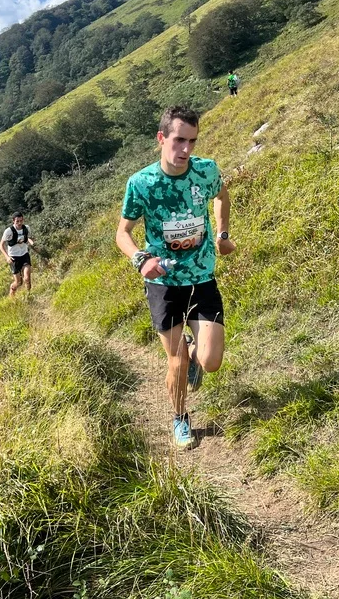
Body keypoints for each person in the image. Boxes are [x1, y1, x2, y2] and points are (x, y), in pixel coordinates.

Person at [116, 106, 236, 449]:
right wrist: (141, 259)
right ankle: (180, 417)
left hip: (201, 276)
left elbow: (221, 196)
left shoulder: (205, 170)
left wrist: (222, 235)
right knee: (176, 360)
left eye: (192, 141)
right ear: (161, 138)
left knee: (211, 361)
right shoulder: (141, 183)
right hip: (163, 284)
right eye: (179, 140)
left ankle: (194, 355)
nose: (186, 149)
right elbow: (122, 233)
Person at [0, 212, 35, 297]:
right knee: (18, 282)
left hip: (24, 254)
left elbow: (27, 238)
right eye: (17, 221)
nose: (19, 223)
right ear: (13, 221)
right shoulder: (8, 231)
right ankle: (12, 294)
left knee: (27, 278)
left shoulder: (26, 228)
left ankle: (28, 296)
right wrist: (7, 257)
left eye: (21, 221)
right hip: (14, 257)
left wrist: (31, 242)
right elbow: (1, 245)